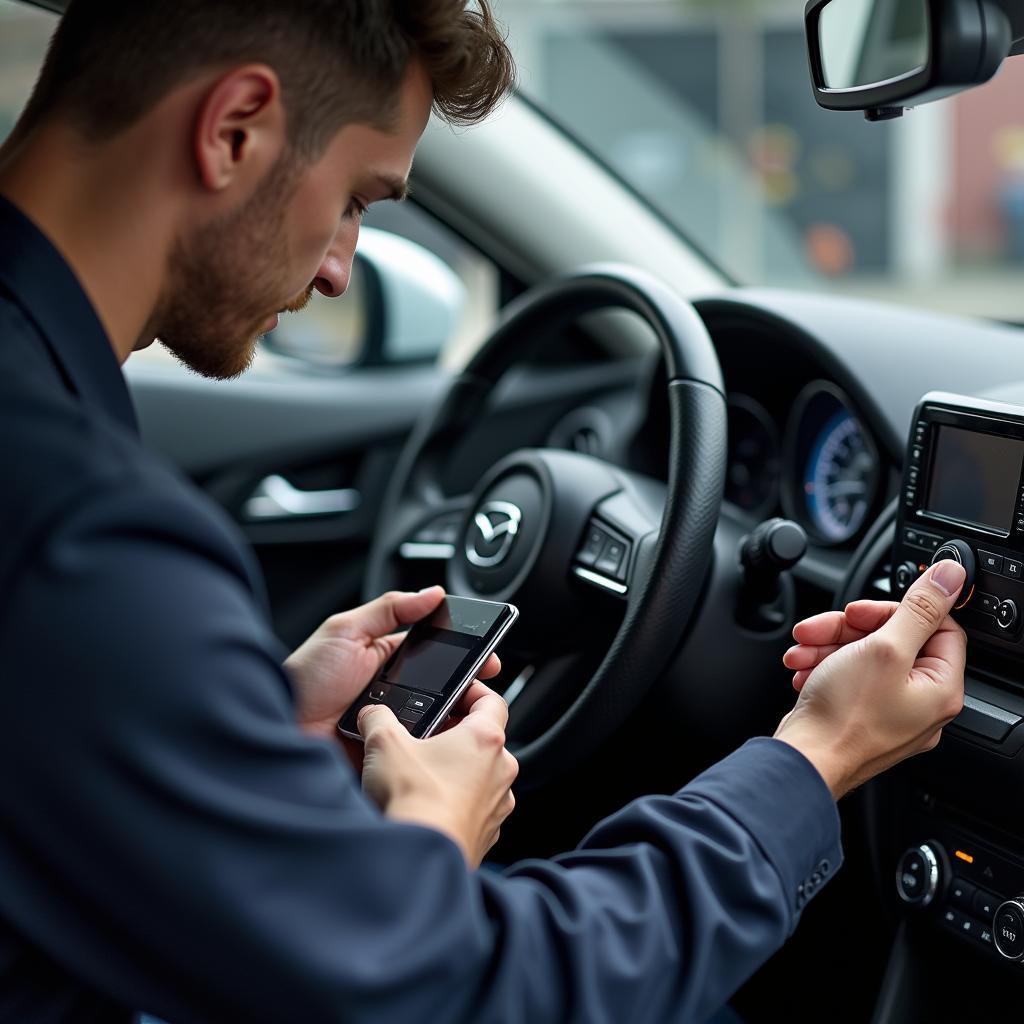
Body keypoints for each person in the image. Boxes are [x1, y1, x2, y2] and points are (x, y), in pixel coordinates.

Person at [0, 1, 967, 1021]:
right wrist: (816, 757)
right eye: (357, 201)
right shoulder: (82, 534)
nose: (338, 267)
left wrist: (247, 730)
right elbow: (446, 987)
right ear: (234, 127)